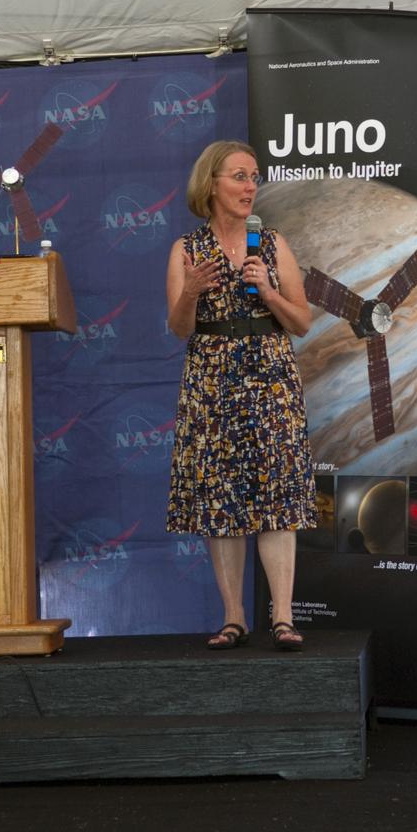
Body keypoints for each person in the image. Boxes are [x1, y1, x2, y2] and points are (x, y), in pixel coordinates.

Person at [166, 139, 317, 651]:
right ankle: (234, 616)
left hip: (270, 373)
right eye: (239, 176)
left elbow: (301, 322)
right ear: (211, 184)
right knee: (220, 499)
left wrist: (270, 291)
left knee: (277, 493)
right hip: (212, 378)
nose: (250, 186)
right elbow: (179, 328)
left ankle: (282, 616)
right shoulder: (186, 250)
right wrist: (190, 291)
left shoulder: (271, 244)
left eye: (254, 176)